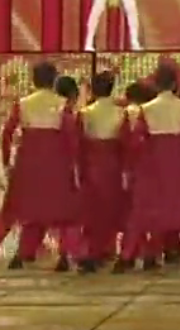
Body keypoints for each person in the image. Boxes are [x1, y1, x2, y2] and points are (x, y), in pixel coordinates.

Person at [0, 62, 81, 276]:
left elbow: (7, 132)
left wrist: (6, 161)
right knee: (66, 212)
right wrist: (74, 165)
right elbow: (71, 138)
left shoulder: (22, 104)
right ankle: (65, 256)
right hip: (56, 166)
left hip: (26, 164)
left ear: (33, 80)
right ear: (54, 80)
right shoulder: (62, 105)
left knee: (9, 213)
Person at [115, 63, 180, 272]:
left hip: (153, 165)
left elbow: (135, 142)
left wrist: (131, 168)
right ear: (176, 84)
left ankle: (127, 257)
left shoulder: (146, 109)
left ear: (157, 84)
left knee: (144, 212)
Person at [78, 70, 127, 271]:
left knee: (92, 210)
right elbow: (126, 142)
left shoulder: (85, 113)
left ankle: (91, 250)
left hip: (91, 162)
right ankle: (107, 248)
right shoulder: (121, 112)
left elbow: (79, 142)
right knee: (112, 207)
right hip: (114, 163)